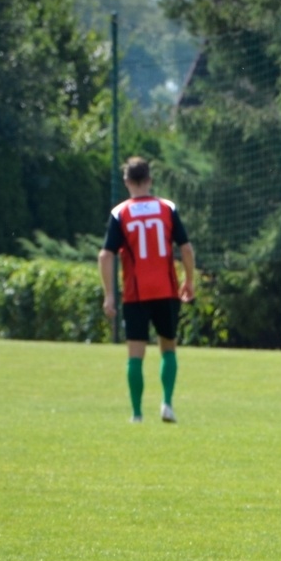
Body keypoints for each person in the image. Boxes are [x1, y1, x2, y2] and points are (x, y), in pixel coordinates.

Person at [99, 157, 197, 423]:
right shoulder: (167, 208)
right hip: (166, 290)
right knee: (168, 347)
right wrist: (189, 280)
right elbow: (186, 248)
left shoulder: (120, 213)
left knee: (135, 354)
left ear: (126, 182)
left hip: (136, 294)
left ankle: (137, 414)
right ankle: (167, 404)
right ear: (150, 180)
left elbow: (105, 255)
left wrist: (109, 294)